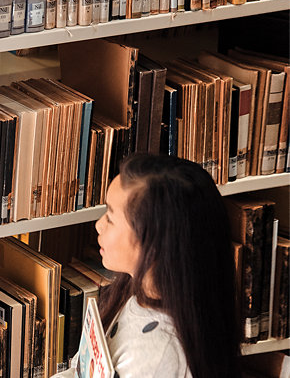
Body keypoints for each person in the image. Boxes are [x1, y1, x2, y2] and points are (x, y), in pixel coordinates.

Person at [54, 154, 242, 377]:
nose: (98, 225)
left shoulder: (158, 356)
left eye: (111, 218)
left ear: (153, 243)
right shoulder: (135, 293)